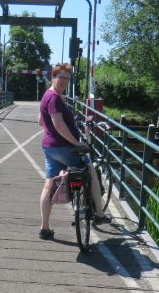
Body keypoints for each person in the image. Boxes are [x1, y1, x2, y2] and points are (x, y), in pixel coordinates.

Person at [37, 63, 111, 239]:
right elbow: (57, 123)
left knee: (49, 184)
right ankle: (99, 215)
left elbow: (41, 121)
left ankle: (44, 227)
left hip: (49, 147)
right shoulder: (54, 98)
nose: (63, 81)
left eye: (67, 78)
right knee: (90, 171)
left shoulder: (47, 96)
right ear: (53, 77)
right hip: (64, 148)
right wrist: (75, 143)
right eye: (60, 77)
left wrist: (52, 133)